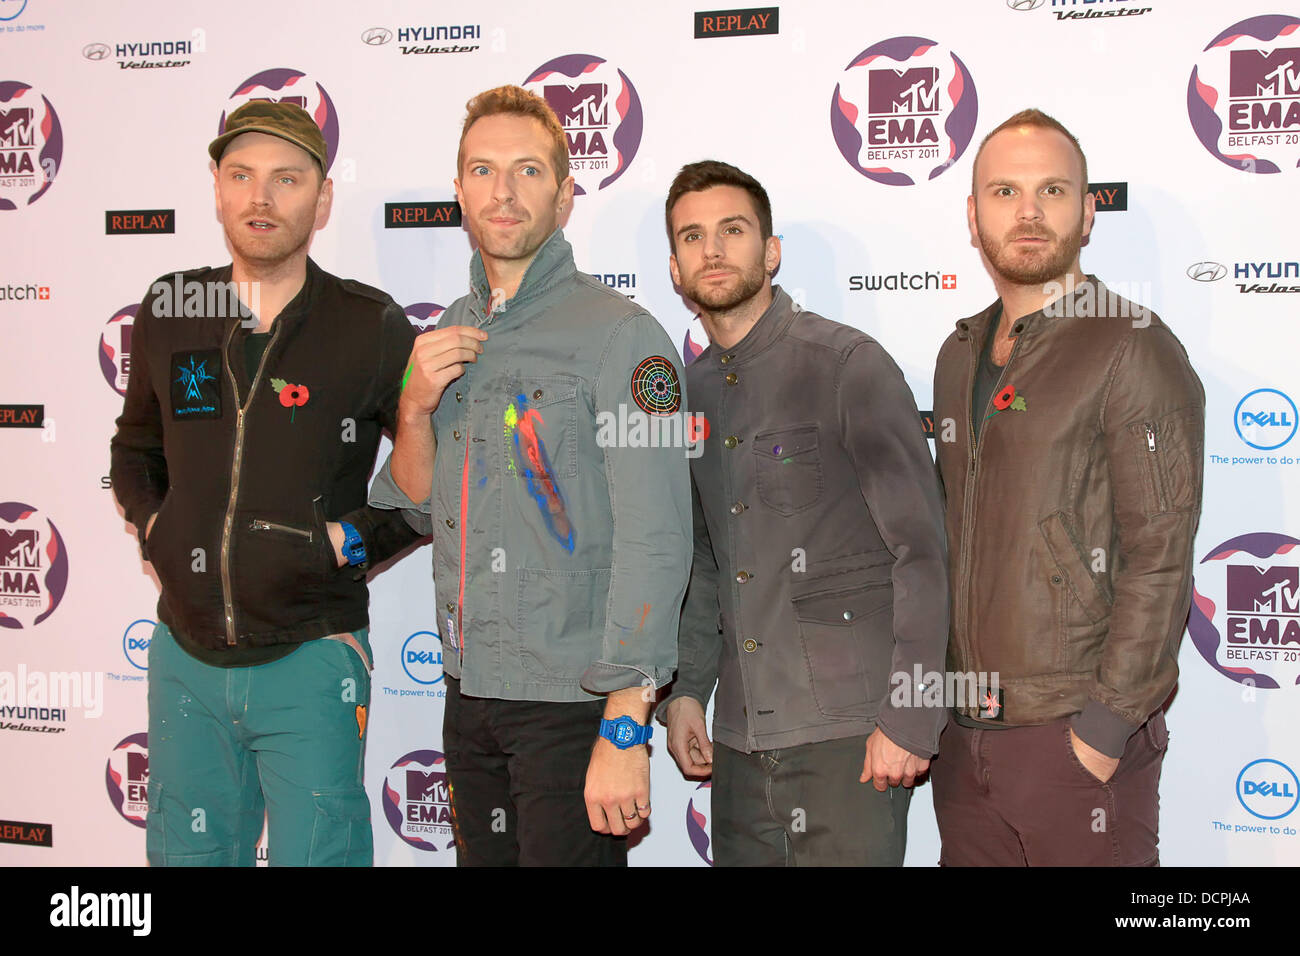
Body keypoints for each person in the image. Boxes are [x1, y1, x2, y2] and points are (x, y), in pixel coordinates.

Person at [368, 85, 691, 866]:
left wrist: (624, 721)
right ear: (458, 192)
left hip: (572, 704)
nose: (502, 192)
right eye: (482, 170)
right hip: (468, 696)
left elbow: (658, 538)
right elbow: (411, 507)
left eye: (528, 171)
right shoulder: (446, 329)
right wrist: (412, 410)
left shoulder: (623, 336)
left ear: (566, 195)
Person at [110, 101, 420, 866]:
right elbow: (134, 445)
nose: (261, 197)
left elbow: (428, 481)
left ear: (322, 200)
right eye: (241, 175)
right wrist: (156, 527)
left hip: (312, 655)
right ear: (216, 188)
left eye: (286, 179)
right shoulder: (173, 305)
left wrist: (347, 544)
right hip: (185, 653)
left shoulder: (370, 325)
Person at [929, 109, 1205, 866]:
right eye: (1003, 192)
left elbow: (1161, 555)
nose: (1027, 212)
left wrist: (1105, 729)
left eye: (1052, 190)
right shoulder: (957, 355)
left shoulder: (1130, 344)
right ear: (973, 216)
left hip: (1072, 740)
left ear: (1087, 213)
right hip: (965, 738)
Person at [658, 160, 949, 866]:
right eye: (693, 237)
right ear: (674, 268)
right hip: (738, 741)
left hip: (850, 738)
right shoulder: (686, 395)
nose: (714, 250)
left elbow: (924, 551)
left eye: (733, 230)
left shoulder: (848, 365)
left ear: (771, 250)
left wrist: (911, 715)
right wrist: (688, 693)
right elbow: (699, 563)